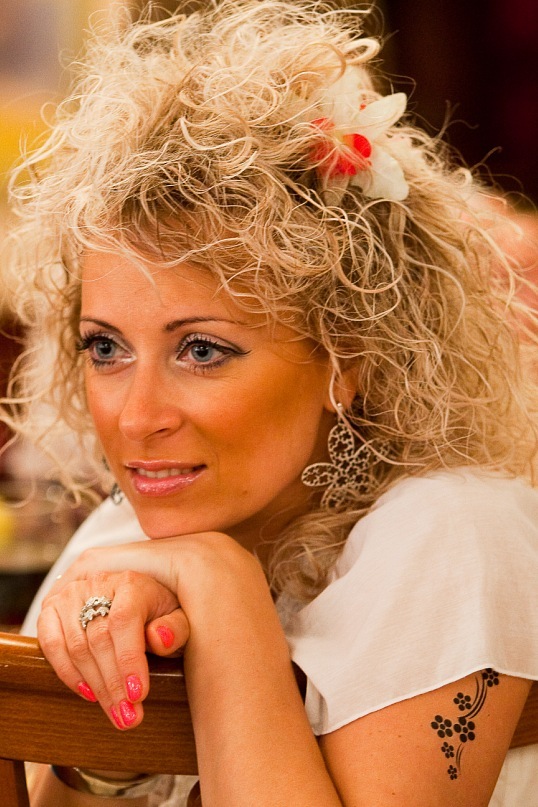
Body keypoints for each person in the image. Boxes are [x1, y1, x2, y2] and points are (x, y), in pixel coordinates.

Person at [1, 1, 538, 804]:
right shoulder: (127, 533)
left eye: (201, 350)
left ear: (347, 357)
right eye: (106, 347)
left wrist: (219, 587)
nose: (136, 416)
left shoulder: (451, 533)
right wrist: (114, 758)